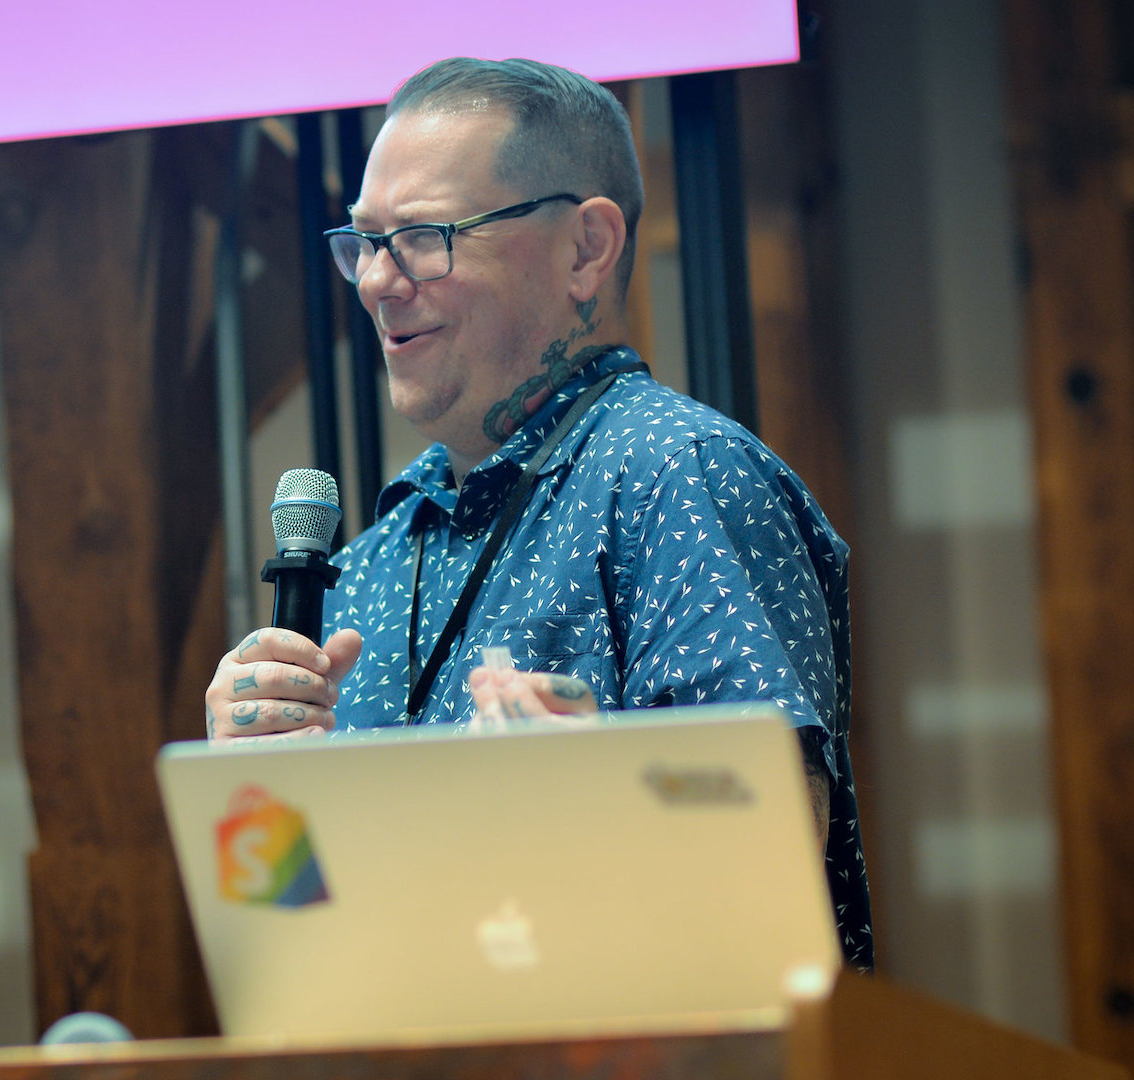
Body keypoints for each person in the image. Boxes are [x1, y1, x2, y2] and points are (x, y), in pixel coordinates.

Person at [203, 57, 872, 970]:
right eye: (364, 242)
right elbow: (301, 940)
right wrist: (248, 806)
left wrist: (598, 794)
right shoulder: (369, 561)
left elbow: (775, 858)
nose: (374, 283)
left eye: (426, 236)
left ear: (586, 250)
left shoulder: (677, 474)